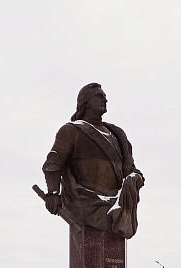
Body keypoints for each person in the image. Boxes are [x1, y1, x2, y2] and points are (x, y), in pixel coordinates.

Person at [40, 83, 144, 239]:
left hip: (115, 205)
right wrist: (53, 194)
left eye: (105, 96)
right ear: (85, 102)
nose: (106, 100)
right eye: (100, 96)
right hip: (84, 203)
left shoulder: (118, 135)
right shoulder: (71, 130)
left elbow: (131, 170)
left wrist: (134, 178)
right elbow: (53, 164)